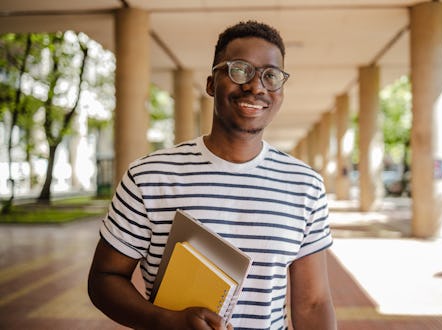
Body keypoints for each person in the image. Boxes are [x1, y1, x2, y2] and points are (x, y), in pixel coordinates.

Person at [88, 20, 337, 330]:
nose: (256, 86)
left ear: (281, 91)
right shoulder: (150, 176)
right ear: (210, 83)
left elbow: (313, 302)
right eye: (240, 70)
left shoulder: (305, 185)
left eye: (270, 76)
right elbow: (104, 278)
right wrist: (165, 321)